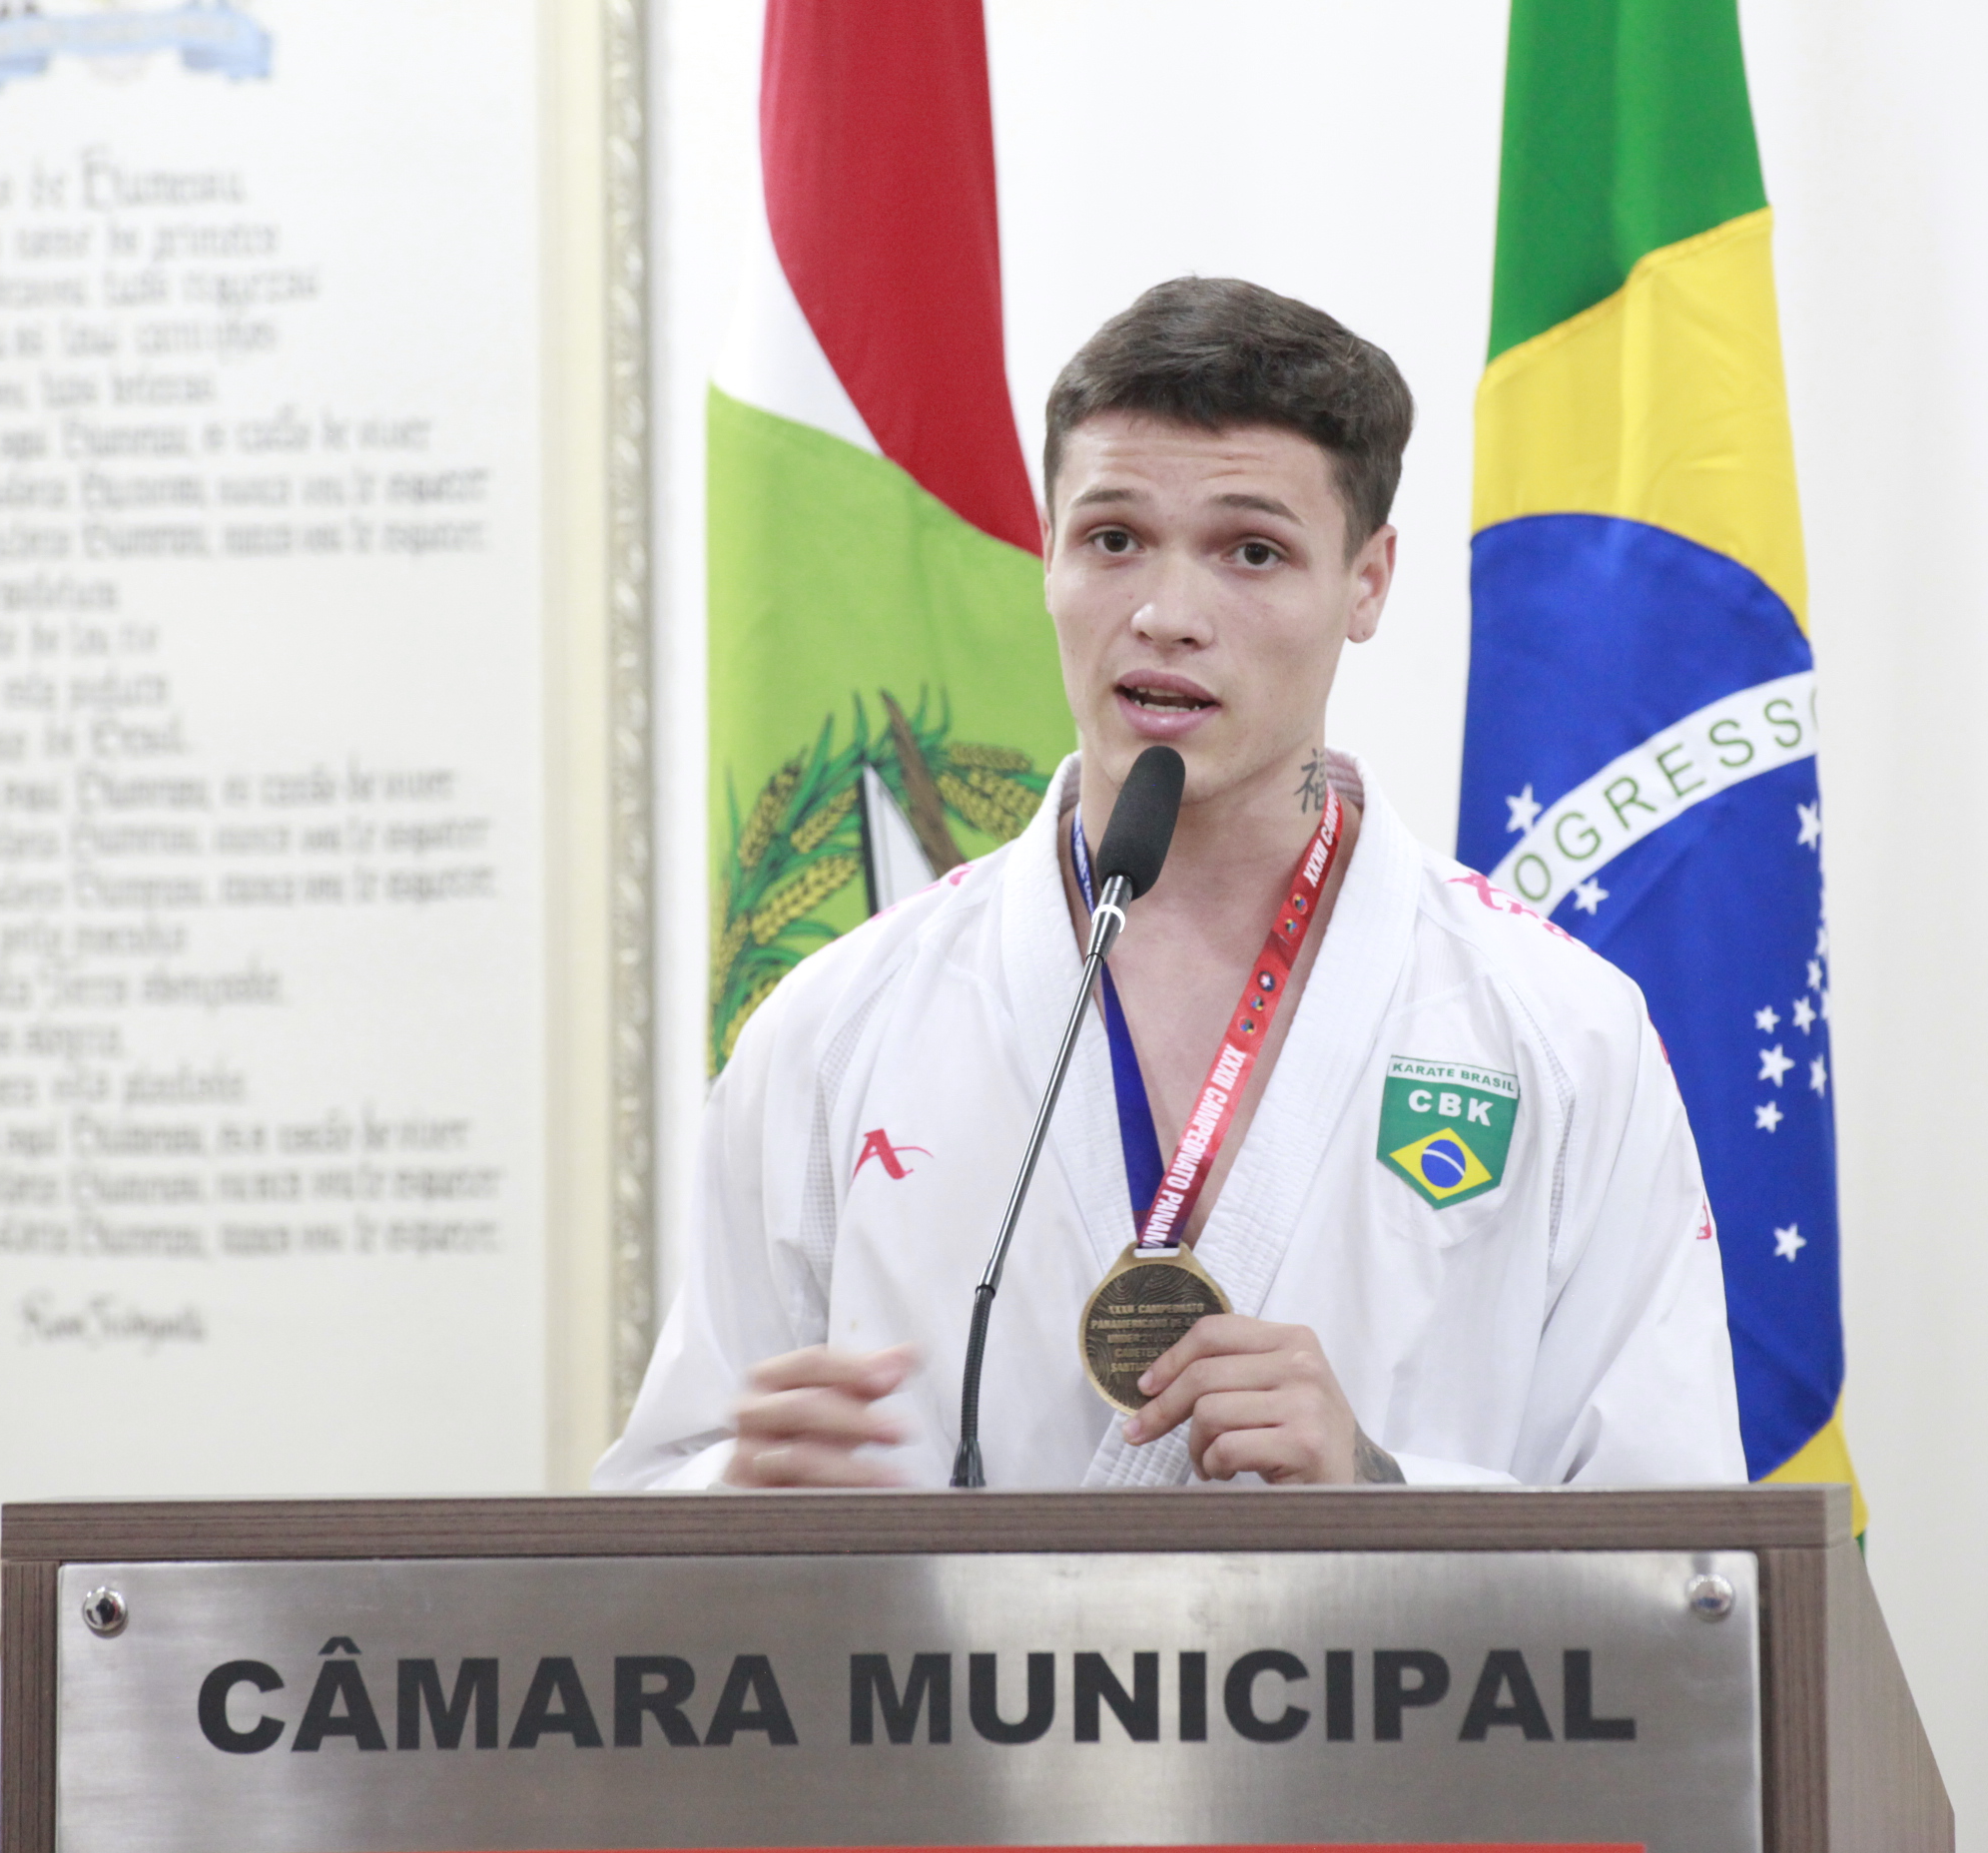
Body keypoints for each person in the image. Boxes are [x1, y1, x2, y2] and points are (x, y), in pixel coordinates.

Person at [597, 278, 1744, 1492]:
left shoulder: (1560, 1028)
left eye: (1252, 550)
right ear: (1045, 550)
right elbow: (657, 1493)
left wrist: (1379, 1489)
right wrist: (739, 1502)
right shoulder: (838, 1025)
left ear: (1367, 580)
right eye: (1113, 538)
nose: (1164, 614)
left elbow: (1687, 1567)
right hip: (944, 1688)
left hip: (1385, 1686)